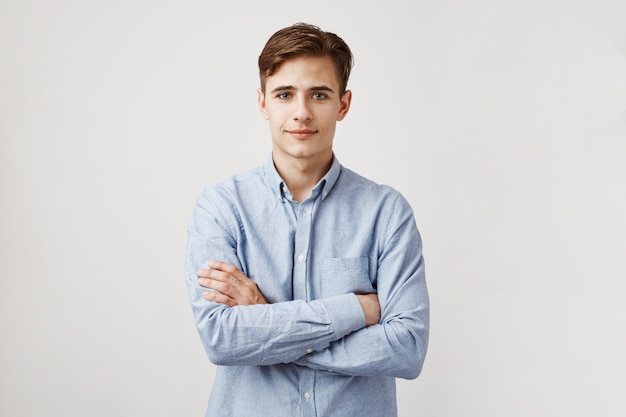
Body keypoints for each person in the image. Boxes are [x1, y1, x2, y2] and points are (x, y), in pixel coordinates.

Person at [185, 22, 429, 417]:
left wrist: (266, 324)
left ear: (343, 104)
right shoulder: (221, 207)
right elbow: (222, 339)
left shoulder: (387, 213)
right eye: (285, 94)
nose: (301, 112)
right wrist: (357, 311)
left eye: (319, 94)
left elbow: (407, 348)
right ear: (263, 103)